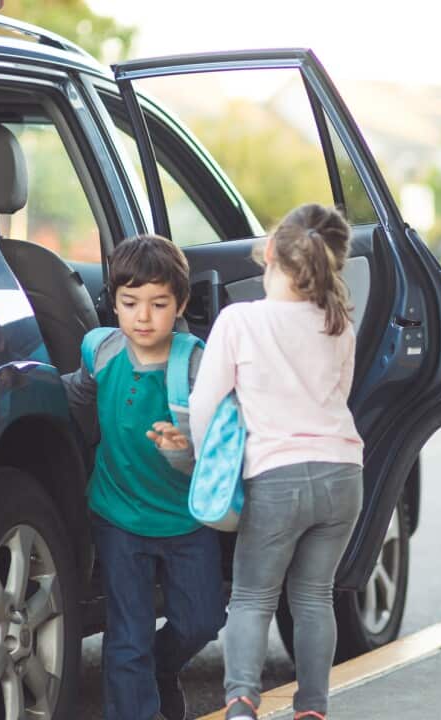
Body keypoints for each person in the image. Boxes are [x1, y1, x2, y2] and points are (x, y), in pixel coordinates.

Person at [188, 204, 364, 720]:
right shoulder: (338, 324)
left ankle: (242, 704)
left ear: (269, 252)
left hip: (276, 478)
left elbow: (204, 402)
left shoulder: (240, 320)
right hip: (342, 474)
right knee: (314, 597)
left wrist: (203, 464)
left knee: (251, 598)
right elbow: (340, 396)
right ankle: (312, 708)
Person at [63, 235, 224, 720]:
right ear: (113, 302)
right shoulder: (101, 352)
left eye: (159, 304)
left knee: (202, 621)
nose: (143, 316)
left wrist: (188, 444)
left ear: (181, 305)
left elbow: (225, 440)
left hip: (186, 519)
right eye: (130, 303)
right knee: (126, 636)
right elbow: (70, 398)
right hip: (118, 517)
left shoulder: (196, 364)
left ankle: (159, 665)